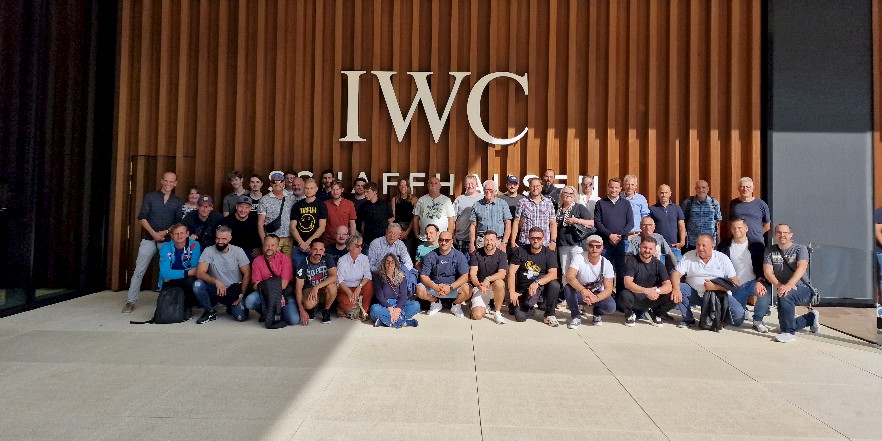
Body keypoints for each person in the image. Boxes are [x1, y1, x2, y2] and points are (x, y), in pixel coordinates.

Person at [125, 171, 183, 313]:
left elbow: (178, 222)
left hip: (167, 240)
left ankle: (168, 301)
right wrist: (154, 234)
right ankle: (130, 301)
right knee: (139, 271)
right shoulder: (150, 197)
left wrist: (164, 233)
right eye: (166, 180)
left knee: (169, 272)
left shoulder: (178, 201)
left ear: (175, 183)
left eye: (171, 181)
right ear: (161, 181)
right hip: (148, 239)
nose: (168, 184)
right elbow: (142, 217)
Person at [761, 224, 820, 343]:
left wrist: (788, 285)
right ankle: (810, 318)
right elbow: (767, 272)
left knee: (786, 295)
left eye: (785, 233)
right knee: (784, 320)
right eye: (779, 232)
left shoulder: (800, 248)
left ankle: (789, 333)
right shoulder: (770, 250)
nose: (782, 235)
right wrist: (780, 286)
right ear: (775, 235)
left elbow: (802, 267)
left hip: (803, 288)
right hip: (783, 289)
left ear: (790, 235)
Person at [670, 234, 741, 328]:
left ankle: (717, 316)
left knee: (738, 319)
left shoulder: (722, 258)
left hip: (719, 296)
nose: (700, 248)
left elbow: (735, 282)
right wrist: (676, 289)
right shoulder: (689, 256)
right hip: (695, 294)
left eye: (704, 245)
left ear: (712, 246)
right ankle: (688, 319)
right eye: (698, 245)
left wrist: (715, 287)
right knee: (680, 287)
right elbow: (676, 274)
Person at [717, 217, 769, 331]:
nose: (737, 230)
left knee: (764, 292)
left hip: (752, 283)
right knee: (736, 322)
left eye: (739, 227)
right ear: (731, 229)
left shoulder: (757, 245)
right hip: (733, 286)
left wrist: (760, 281)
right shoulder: (724, 246)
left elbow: (763, 266)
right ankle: (743, 311)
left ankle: (758, 320)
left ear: (746, 229)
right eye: (734, 228)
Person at [235, 234, 300, 325]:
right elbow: (255, 285)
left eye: (273, 245)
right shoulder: (257, 261)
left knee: (294, 320)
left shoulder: (285, 260)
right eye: (267, 245)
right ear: (263, 245)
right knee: (250, 301)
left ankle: (276, 313)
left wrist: (274, 292)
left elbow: (284, 284)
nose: (269, 248)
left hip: (284, 293)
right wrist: (272, 293)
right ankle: (269, 313)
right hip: (265, 294)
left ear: (277, 247)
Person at [193, 225, 251, 324]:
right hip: (216, 288)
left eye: (224, 239)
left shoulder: (238, 251)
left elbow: (247, 274)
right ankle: (210, 311)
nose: (220, 241)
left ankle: (230, 307)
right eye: (217, 238)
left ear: (230, 238)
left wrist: (241, 295)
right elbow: (200, 273)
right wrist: (216, 281)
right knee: (197, 285)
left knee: (240, 317)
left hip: (234, 290)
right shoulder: (208, 251)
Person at [507, 227, 561, 325]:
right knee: (520, 317)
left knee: (555, 284)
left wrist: (537, 283)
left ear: (543, 239)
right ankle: (530, 308)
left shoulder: (549, 253)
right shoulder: (520, 251)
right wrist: (512, 292)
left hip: (540, 289)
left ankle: (549, 314)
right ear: (529, 238)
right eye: (533, 238)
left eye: (538, 238)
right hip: (523, 291)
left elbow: (554, 274)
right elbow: (511, 272)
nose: (535, 241)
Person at [618, 236, 676, 327]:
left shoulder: (658, 264)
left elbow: (668, 285)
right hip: (635, 297)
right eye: (645, 247)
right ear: (639, 246)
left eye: (650, 248)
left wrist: (657, 291)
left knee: (674, 295)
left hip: (653, 297)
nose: (647, 250)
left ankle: (655, 314)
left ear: (654, 250)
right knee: (623, 295)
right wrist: (646, 291)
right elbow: (628, 283)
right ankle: (629, 314)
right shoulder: (631, 261)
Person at [415, 231, 472, 317]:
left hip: (452, 288)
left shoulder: (459, 255)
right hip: (435, 288)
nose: (444, 243)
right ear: (438, 241)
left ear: (452, 241)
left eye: (447, 240)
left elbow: (465, 276)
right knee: (419, 289)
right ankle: (435, 302)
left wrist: (450, 287)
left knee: (468, 289)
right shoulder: (430, 255)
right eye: (441, 240)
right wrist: (434, 286)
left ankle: (456, 305)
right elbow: (423, 276)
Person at [564, 235, 616, 328]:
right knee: (568, 288)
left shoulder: (607, 264)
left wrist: (596, 298)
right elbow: (570, 277)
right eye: (591, 246)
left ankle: (597, 313)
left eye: (598, 246)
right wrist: (583, 290)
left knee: (610, 306)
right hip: (580, 292)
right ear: (587, 246)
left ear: (602, 248)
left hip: (596, 293)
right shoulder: (579, 258)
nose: (594, 249)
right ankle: (576, 316)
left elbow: (608, 289)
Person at [593, 177, 633, 292]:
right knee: (604, 270)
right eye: (611, 187)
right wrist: (610, 235)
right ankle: (604, 295)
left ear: (620, 189)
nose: (614, 190)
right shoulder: (600, 203)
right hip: (605, 242)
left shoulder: (626, 203)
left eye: (616, 188)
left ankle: (620, 297)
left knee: (621, 270)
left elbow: (630, 223)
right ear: (608, 187)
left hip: (622, 242)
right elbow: (597, 222)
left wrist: (619, 236)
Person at [158, 222, 201, 311]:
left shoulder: (194, 245)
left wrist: (173, 274)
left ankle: (188, 307)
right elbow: (165, 273)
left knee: (190, 282)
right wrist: (186, 272)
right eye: (176, 233)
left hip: (185, 279)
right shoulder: (165, 247)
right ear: (171, 235)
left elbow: (194, 269)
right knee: (166, 304)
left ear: (187, 234)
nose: (179, 236)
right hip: (175, 279)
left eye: (182, 233)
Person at [556, 185, 595, 281]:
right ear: (561, 195)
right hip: (562, 245)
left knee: (578, 271)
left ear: (575, 196)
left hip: (576, 244)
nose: (568, 195)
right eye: (566, 193)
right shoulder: (558, 209)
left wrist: (576, 220)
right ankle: (566, 290)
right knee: (565, 272)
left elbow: (592, 223)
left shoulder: (579, 207)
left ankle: (579, 290)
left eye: (571, 193)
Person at [294, 240, 339, 325]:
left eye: (320, 249)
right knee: (308, 304)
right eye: (315, 249)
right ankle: (312, 309)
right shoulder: (303, 263)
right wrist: (302, 310)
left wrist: (317, 287)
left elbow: (334, 277)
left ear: (324, 250)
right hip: (310, 290)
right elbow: (298, 288)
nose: (318, 252)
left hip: (323, 289)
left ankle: (326, 310)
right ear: (310, 250)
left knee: (332, 286)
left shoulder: (327, 257)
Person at [468, 230, 508, 324]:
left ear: (496, 241)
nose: (489, 242)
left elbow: (502, 273)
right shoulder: (476, 253)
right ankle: (485, 305)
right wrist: (478, 285)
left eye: (492, 240)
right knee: (477, 316)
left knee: (499, 283)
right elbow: (473, 274)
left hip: (494, 288)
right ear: (483, 241)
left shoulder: (502, 255)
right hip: (480, 287)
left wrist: (488, 279)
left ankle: (497, 312)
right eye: (487, 240)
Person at [371, 254, 421, 328]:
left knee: (416, 305)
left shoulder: (401, 277)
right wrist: (390, 308)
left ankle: (385, 322)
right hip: (385, 306)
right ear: (384, 263)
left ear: (395, 264)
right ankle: (404, 322)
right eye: (387, 262)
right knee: (374, 309)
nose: (390, 264)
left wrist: (398, 309)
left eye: (392, 262)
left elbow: (403, 296)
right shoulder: (378, 277)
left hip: (398, 304)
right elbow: (380, 296)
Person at [257, 170, 297, 257]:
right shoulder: (264, 200)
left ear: (284, 183)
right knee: (273, 262)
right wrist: (264, 242)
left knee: (287, 263)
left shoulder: (292, 198)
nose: (277, 183)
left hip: (289, 238)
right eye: (274, 181)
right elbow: (260, 223)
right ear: (271, 184)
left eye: (280, 181)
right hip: (272, 239)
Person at [335, 233, 374, 319]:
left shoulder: (364, 258)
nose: (360, 248)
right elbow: (339, 281)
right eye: (357, 246)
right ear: (349, 247)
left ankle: (364, 310)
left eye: (361, 245)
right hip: (346, 288)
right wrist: (349, 293)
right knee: (348, 303)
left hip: (359, 287)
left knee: (369, 284)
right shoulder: (342, 260)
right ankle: (344, 307)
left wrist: (359, 287)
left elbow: (367, 276)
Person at [290, 178, 328, 266]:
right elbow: (292, 227)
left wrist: (308, 243)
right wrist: (301, 243)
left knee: (315, 271)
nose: (309, 190)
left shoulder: (321, 205)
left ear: (316, 189)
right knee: (299, 271)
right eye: (307, 188)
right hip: (299, 246)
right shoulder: (297, 205)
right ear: (303, 189)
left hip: (315, 247)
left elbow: (322, 227)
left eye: (311, 188)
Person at [511, 177, 557, 250]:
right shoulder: (522, 202)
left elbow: (553, 223)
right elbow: (516, 222)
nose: (535, 188)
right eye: (533, 186)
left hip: (544, 244)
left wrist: (553, 242)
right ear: (529, 187)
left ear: (541, 187)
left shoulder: (548, 203)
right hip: (526, 243)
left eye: (537, 186)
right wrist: (513, 241)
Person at [469, 180, 512, 254]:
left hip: (498, 241)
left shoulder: (503, 204)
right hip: (482, 241)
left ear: (495, 191)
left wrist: (504, 242)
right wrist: (472, 244)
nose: (488, 192)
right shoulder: (476, 205)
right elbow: (473, 225)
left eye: (491, 190)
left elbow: (508, 224)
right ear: (483, 190)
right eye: (486, 190)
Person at [412, 176, 455, 242]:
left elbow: (451, 220)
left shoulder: (446, 200)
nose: (433, 185)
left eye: (436, 183)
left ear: (440, 186)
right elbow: (416, 218)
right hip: (424, 239)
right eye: (431, 183)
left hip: (441, 240)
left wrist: (448, 238)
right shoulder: (421, 200)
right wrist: (417, 236)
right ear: (428, 186)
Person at [649, 184, 686, 262]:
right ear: (658, 193)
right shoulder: (652, 209)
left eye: (666, 193)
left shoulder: (677, 208)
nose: (664, 195)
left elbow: (681, 227)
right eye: (662, 193)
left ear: (670, 194)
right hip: (658, 247)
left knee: (677, 268)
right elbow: (649, 228)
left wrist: (682, 242)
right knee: (659, 268)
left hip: (674, 246)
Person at [729, 176, 771, 245]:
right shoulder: (734, 203)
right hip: (738, 242)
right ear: (739, 189)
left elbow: (767, 225)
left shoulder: (761, 204)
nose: (745, 189)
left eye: (748, 187)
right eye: (742, 187)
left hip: (756, 242)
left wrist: (757, 233)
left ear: (752, 189)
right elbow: (731, 222)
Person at [682, 180, 722, 249]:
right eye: (698, 188)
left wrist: (718, 240)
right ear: (695, 189)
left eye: (703, 188)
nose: (701, 190)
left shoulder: (714, 203)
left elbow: (718, 222)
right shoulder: (688, 203)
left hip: (710, 242)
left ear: (708, 189)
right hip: (693, 242)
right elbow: (683, 221)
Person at [356, 182, 394, 252]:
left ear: (375, 192)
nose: (365, 194)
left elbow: (391, 222)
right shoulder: (363, 206)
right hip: (368, 242)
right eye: (365, 192)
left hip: (383, 241)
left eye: (368, 192)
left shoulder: (385, 204)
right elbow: (363, 224)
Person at [223, 195, 261, 259]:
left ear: (250, 208)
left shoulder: (255, 221)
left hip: (250, 252)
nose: (243, 210)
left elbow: (258, 237)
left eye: (247, 207)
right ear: (236, 206)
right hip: (232, 252)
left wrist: (259, 248)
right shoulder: (227, 221)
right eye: (241, 207)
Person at [452, 175, 483, 253]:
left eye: (472, 183)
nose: (470, 186)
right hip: (461, 237)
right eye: (468, 184)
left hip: (478, 239)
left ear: (476, 184)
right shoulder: (459, 199)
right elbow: (453, 219)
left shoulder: (482, 198)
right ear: (465, 185)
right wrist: (452, 234)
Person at [322, 180, 357, 245]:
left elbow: (352, 224)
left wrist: (352, 240)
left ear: (342, 190)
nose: (335, 192)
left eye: (337, 189)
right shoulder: (325, 204)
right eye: (333, 189)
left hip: (344, 241)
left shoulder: (349, 204)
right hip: (328, 241)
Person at [391, 178, 418, 255]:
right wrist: (399, 231)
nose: (403, 187)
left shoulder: (414, 199)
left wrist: (406, 232)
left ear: (408, 187)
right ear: (398, 187)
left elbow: (415, 217)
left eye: (405, 185)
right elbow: (393, 217)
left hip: (410, 228)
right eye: (401, 185)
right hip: (398, 228)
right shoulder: (395, 199)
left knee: (408, 253)